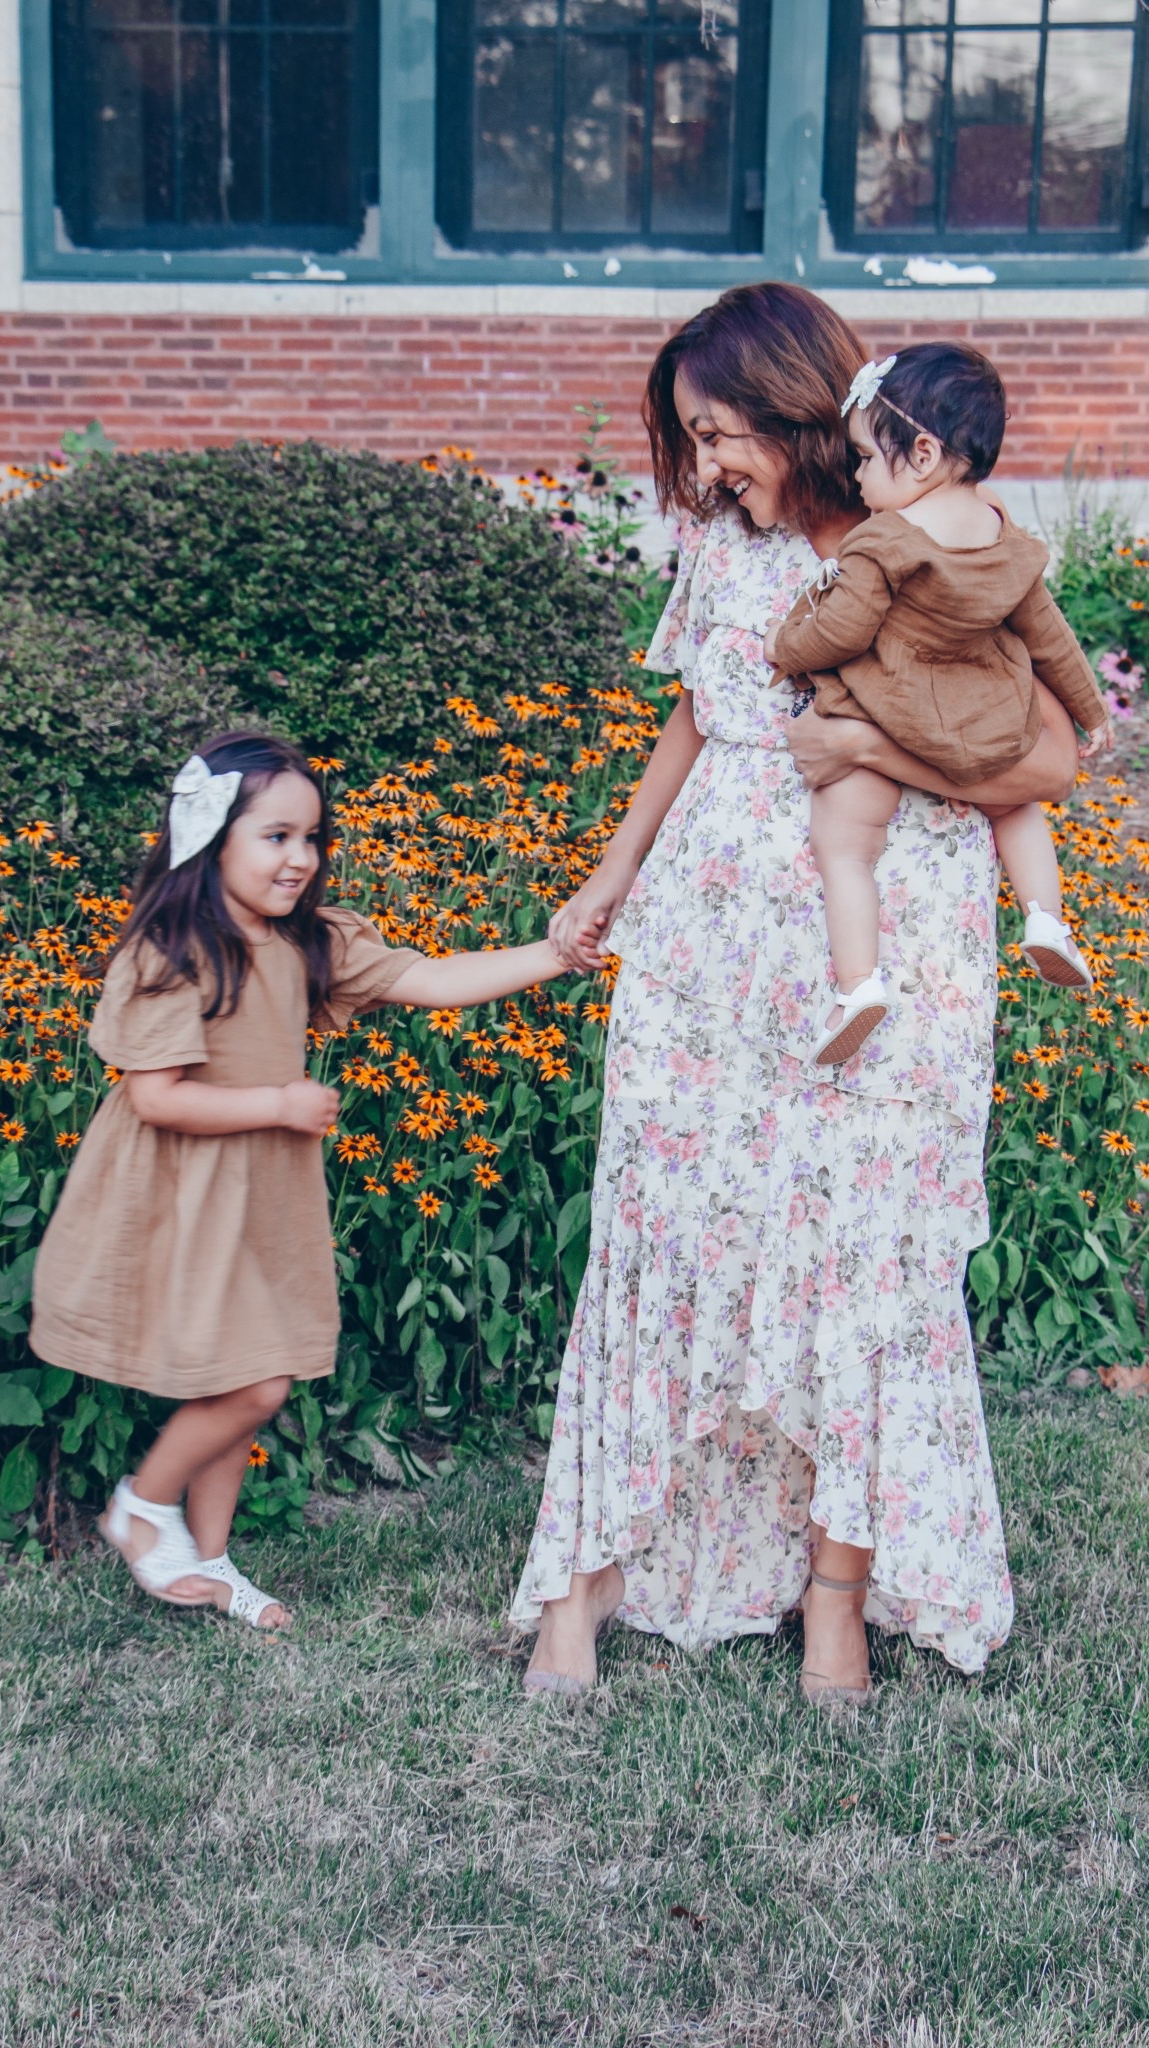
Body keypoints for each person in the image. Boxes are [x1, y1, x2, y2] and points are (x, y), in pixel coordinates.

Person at [511, 283, 1079, 1703]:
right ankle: (582, 1583)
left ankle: (836, 1593)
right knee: (665, 1232)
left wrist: (879, 763)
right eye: (691, 443)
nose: (705, 470)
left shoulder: (943, 555)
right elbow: (699, 714)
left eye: (720, 437)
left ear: (795, 411)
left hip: (892, 941)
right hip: (708, 952)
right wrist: (609, 877)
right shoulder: (720, 550)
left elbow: (1055, 754)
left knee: (864, 1260)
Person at [31, 732, 566, 1626]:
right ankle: (140, 1506)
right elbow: (157, 1099)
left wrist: (557, 956)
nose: (300, 859)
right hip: (183, 1190)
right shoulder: (174, 950)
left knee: (240, 1376)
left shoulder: (305, 941)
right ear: (212, 838)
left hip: (258, 1192)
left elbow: (428, 978)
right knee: (258, 1382)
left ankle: (208, 1562)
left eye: (311, 839)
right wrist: (279, 1102)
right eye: (275, 837)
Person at [761, 342, 1109, 1066]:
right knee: (1017, 806)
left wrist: (785, 645)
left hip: (896, 716)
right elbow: (1051, 637)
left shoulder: (884, 539)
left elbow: (845, 629)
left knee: (846, 842)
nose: (855, 475)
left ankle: (858, 984)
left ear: (920, 454)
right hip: (987, 718)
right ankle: (1046, 919)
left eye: (861, 457)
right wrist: (1092, 713)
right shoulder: (1002, 537)